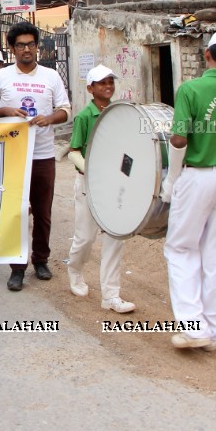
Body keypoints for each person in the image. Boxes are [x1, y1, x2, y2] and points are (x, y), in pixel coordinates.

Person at [162, 30, 216, 351]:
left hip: (197, 175)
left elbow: (179, 138)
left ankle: (193, 327)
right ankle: (212, 330)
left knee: (182, 249)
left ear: (206, 55)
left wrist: (171, 180)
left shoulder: (190, 89)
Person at [0, 22, 71, 291]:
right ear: (12, 49)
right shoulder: (2, 77)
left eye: (31, 44)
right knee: (15, 213)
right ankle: (17, 267)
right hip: (13, 155)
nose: (27, 49)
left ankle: (40, 260)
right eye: (21, 45)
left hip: (43, 154)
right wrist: (5, 111)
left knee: (42, 212)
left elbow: (65, 110)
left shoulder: (51, 76)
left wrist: (50, 118)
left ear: (37, 47)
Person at [66, 65, 136, 314]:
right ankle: (74, 271)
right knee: (85, 237)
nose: (108, 86)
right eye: (102, 83)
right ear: (90, 88)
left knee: (115, 237)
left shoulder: (120, 113)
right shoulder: (85, 116)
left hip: (115, 183)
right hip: (89, 183)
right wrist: (90, 170)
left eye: (110, 82)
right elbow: (73, 152)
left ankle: (111, 295)